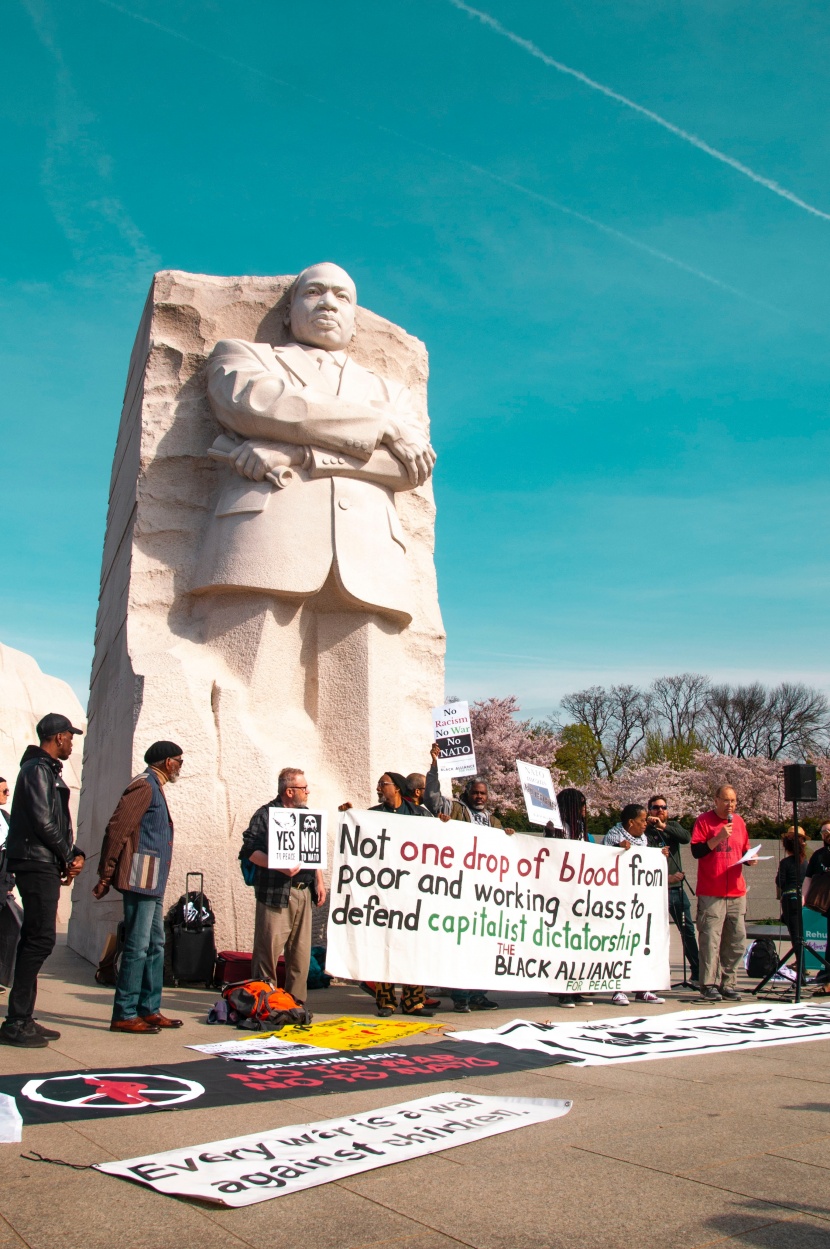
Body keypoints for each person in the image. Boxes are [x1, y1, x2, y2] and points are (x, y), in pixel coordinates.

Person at [195, 262, 436, 623]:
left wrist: (298, 453)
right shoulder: (246, 356)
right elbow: (260, 403)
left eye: (342, 297)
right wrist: (383, 426)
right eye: (313, 292)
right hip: (265, 543)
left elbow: (409, 467)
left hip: (371, 560)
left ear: (355, 323)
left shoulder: (392, 391)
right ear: (288, 314)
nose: (328, 303)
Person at [0, 713, 85, 1048]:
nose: (72, 742)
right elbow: (41, 820)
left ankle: (23, 1016)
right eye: (70, 736)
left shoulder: (45, 770)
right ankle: (16, 1020)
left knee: (37, 938)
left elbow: (54, 823)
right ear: (58, 737)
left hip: (43, 858)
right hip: (35, 862)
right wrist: (67, 854)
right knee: (39, 939)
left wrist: (72, 851)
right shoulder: (36, 770)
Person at [92, 741, 184, 1034]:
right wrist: (106, 874)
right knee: (137, 946)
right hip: (141, 877)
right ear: (168, 762)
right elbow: (118, 829)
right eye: (179, 761)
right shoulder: (144, 785)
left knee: (156, 945)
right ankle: (125, 1012)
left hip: (153, 879)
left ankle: (149, 1008)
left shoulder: (156, 786)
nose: (181, 766)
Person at [241, 768, 326, 1004]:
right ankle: (265, 1003)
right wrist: (279, 866)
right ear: (289, 791)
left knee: (300, 955)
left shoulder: (306, 814)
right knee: (267, 952)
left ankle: (295, 1004)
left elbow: (313, 851)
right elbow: (249, 851)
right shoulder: (266, 814)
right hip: (275, 893)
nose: (307, 791)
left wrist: (319, 880)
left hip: (303, 891)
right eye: (303, 788)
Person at [691, 785, 755, 1003]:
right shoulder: (704, 821)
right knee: (710, 939)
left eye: (734, 801)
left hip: (736, 890)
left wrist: (750, 858)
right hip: (712, 892)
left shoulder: (740, 822)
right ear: (716, 800)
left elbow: (744, 849)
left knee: (736, 940)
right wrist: (717, 838)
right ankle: (708, 985)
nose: (731, 805)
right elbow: (696, 851)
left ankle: (728, 983)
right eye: (727, 800)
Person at [603, 804, 668, 1007]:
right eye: (641, 821)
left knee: (640, 943)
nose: (644, 824)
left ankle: (642, 987)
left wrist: (659, 856)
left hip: (639, 901)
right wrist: (617, 850)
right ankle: (618, 988)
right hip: (618, 901)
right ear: (631, 822)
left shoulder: (643, 839)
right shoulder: (614, 836)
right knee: (620, 943)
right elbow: (602, 859)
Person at [646, 794, 700, 988]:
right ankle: (658, 973)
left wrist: (663, 826)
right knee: (654, 934)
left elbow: (686, 838)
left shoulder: (673, 826)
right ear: (649, 810)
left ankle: (697, 970)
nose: (660, 810)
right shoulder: (645, 831)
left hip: (676, 890)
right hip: (655, 890)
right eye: (655, 807)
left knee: (687, 931)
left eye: (663, 807)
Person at [775, 827, 808, 983]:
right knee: (801, 935)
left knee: (795, 937)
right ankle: (803, 966)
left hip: (789, 899)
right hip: (803, 899)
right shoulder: (805, 862)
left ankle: (801, 971)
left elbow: (780, 882)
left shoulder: (785, 862)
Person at [804, 822, 830, 993]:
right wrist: (803, 899)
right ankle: (828, 981)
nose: (828, 833)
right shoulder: (818, 855)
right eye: (825, 831)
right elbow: (808, 878)